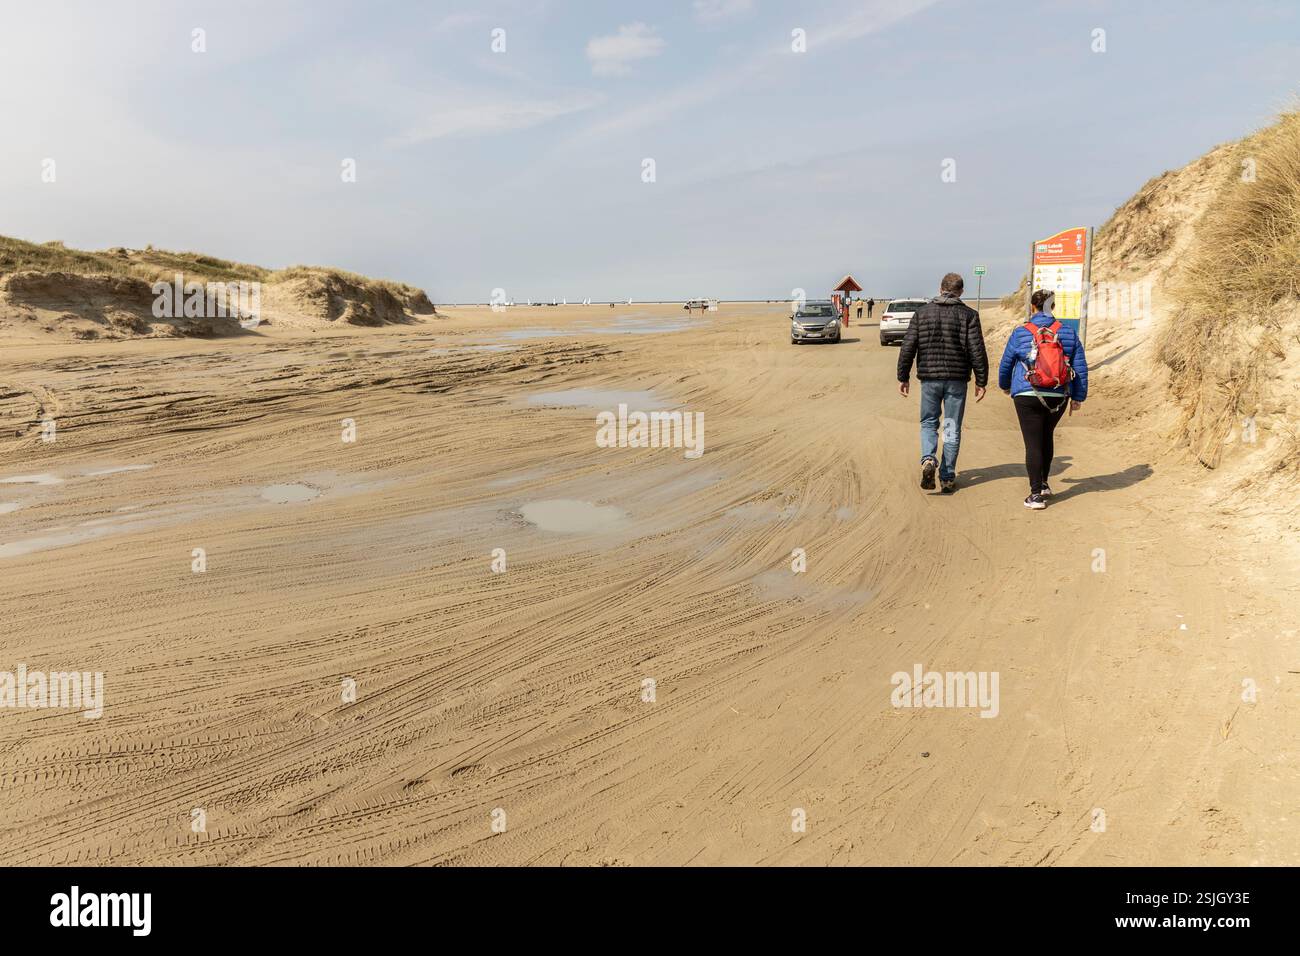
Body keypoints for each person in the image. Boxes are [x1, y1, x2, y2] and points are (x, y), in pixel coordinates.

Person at [897, 273, 988, 494]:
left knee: (929, 422)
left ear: (940, 288)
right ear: (961, 292)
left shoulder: (922, 313)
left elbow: (908, 345)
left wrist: (903, 376)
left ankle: (928, 459)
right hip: (957, 380)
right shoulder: (969, 315)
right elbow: (977, 349)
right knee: (951, 426)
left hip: (929, 378)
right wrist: (981, 380)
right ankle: (947, 476)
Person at [998, 289, 1089, 509]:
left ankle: (1035, 494)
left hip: (1027, 392)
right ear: (1053, 306)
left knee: (1032, 442)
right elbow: (1079, 367)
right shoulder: (1067, 332)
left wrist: (1005, 385)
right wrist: (1078, 396)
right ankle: (1045, 484)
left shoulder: (1021, 332)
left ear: (1033, 306)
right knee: (1046, 436)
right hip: (1058, 394)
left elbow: (1006, 363)